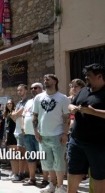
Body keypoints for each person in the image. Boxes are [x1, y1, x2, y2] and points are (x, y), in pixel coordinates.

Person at [68, 63, 105, 193]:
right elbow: (71, 105)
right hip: (76, 140)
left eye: (89, 75)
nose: (86, 78)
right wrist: (73, 109)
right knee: (73, 172)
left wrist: (93, 112)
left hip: (98, 144)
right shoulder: (84, 90)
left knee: (98, 176)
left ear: (99, 76)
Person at [33, 74, 69, 193]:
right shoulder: (38, 97)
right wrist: (36, 131)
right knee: (47, 162)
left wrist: (65, 133)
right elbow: (35, 116)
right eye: (44, 79)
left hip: (57, 134)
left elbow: (66, 117)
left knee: (59, 162)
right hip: (43, 135)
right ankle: (52, 184)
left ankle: (60, 187)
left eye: (48, 79)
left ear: (55, 82)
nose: (46, 80)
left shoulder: (63, 98)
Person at [21, 83, 49, 187]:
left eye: (36, 88)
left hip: (40, 134)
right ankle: (32, 179)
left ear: (42, 89)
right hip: (28, 134)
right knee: (31, 158)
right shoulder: (28, 102)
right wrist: (22, 126)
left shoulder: (45, 100)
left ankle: (45, 180)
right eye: (31, 88)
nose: (33, 89)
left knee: (43, 158)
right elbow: (24, 115)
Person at [11, 84, 29, 182]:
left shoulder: (28, 102)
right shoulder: (18, 103)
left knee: (24, 153)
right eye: (18, 90)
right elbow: (13, 116)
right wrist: (16, 114)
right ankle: (23, 172)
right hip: (18, 130)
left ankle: (22, 173)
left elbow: (16, 114)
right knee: (21, 153)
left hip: (25, 130)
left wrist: (16, 114)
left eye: (21, 90)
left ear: (26, 90)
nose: (19, 92)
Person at [2, 100, 18, 181]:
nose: (9, 104)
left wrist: (13, 115)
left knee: (14, 155)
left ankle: (16, 173)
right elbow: (7, 127)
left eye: (10, 103)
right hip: (9, 135)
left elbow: (16, 121)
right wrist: (6, 137)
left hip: (14, 134)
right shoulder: (7, 114)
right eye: (7, 103)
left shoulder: (14, 112)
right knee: (11, 155)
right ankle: (13, 172)